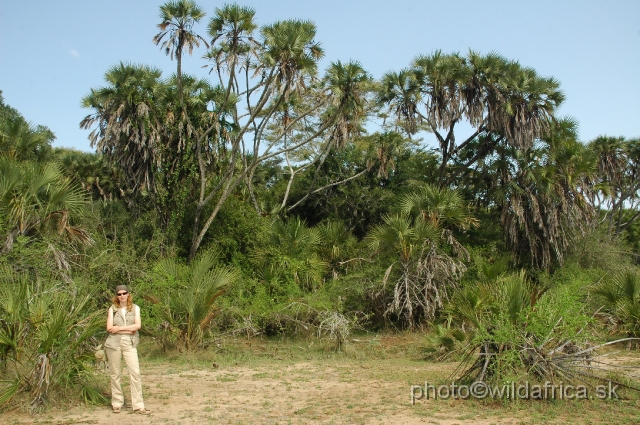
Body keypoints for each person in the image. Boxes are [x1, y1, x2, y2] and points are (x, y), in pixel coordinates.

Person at [105, 285, 151, 415]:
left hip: (129, 343)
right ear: (116, 296)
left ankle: (138, 405)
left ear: (128, 294)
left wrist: (119, 328)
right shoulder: (112, 309)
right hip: (114, 343)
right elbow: (109, 327)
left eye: (124, 293)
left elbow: (137, 326)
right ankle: (117, 402)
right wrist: (127, 329)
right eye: (119, 294)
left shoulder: (135, 308)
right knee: (115, 373)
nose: (122, 296)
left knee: (135, 372)